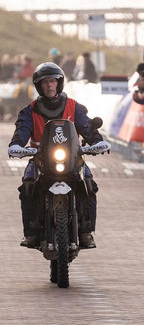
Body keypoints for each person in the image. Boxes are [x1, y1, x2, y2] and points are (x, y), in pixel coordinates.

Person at [8, 62, 110, 249]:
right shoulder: (29, 110)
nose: (49, 85)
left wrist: (97, 141)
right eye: (45, 82)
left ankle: (86, 231)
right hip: (40, 160)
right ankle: (31, 232)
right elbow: (21, 133)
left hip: (72, 158)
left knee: (89, 184)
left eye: (53, 81)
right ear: (39, 85)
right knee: (27, 186)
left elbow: (87, 128)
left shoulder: (74, 106)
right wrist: (16, 146)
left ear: (59, 83)